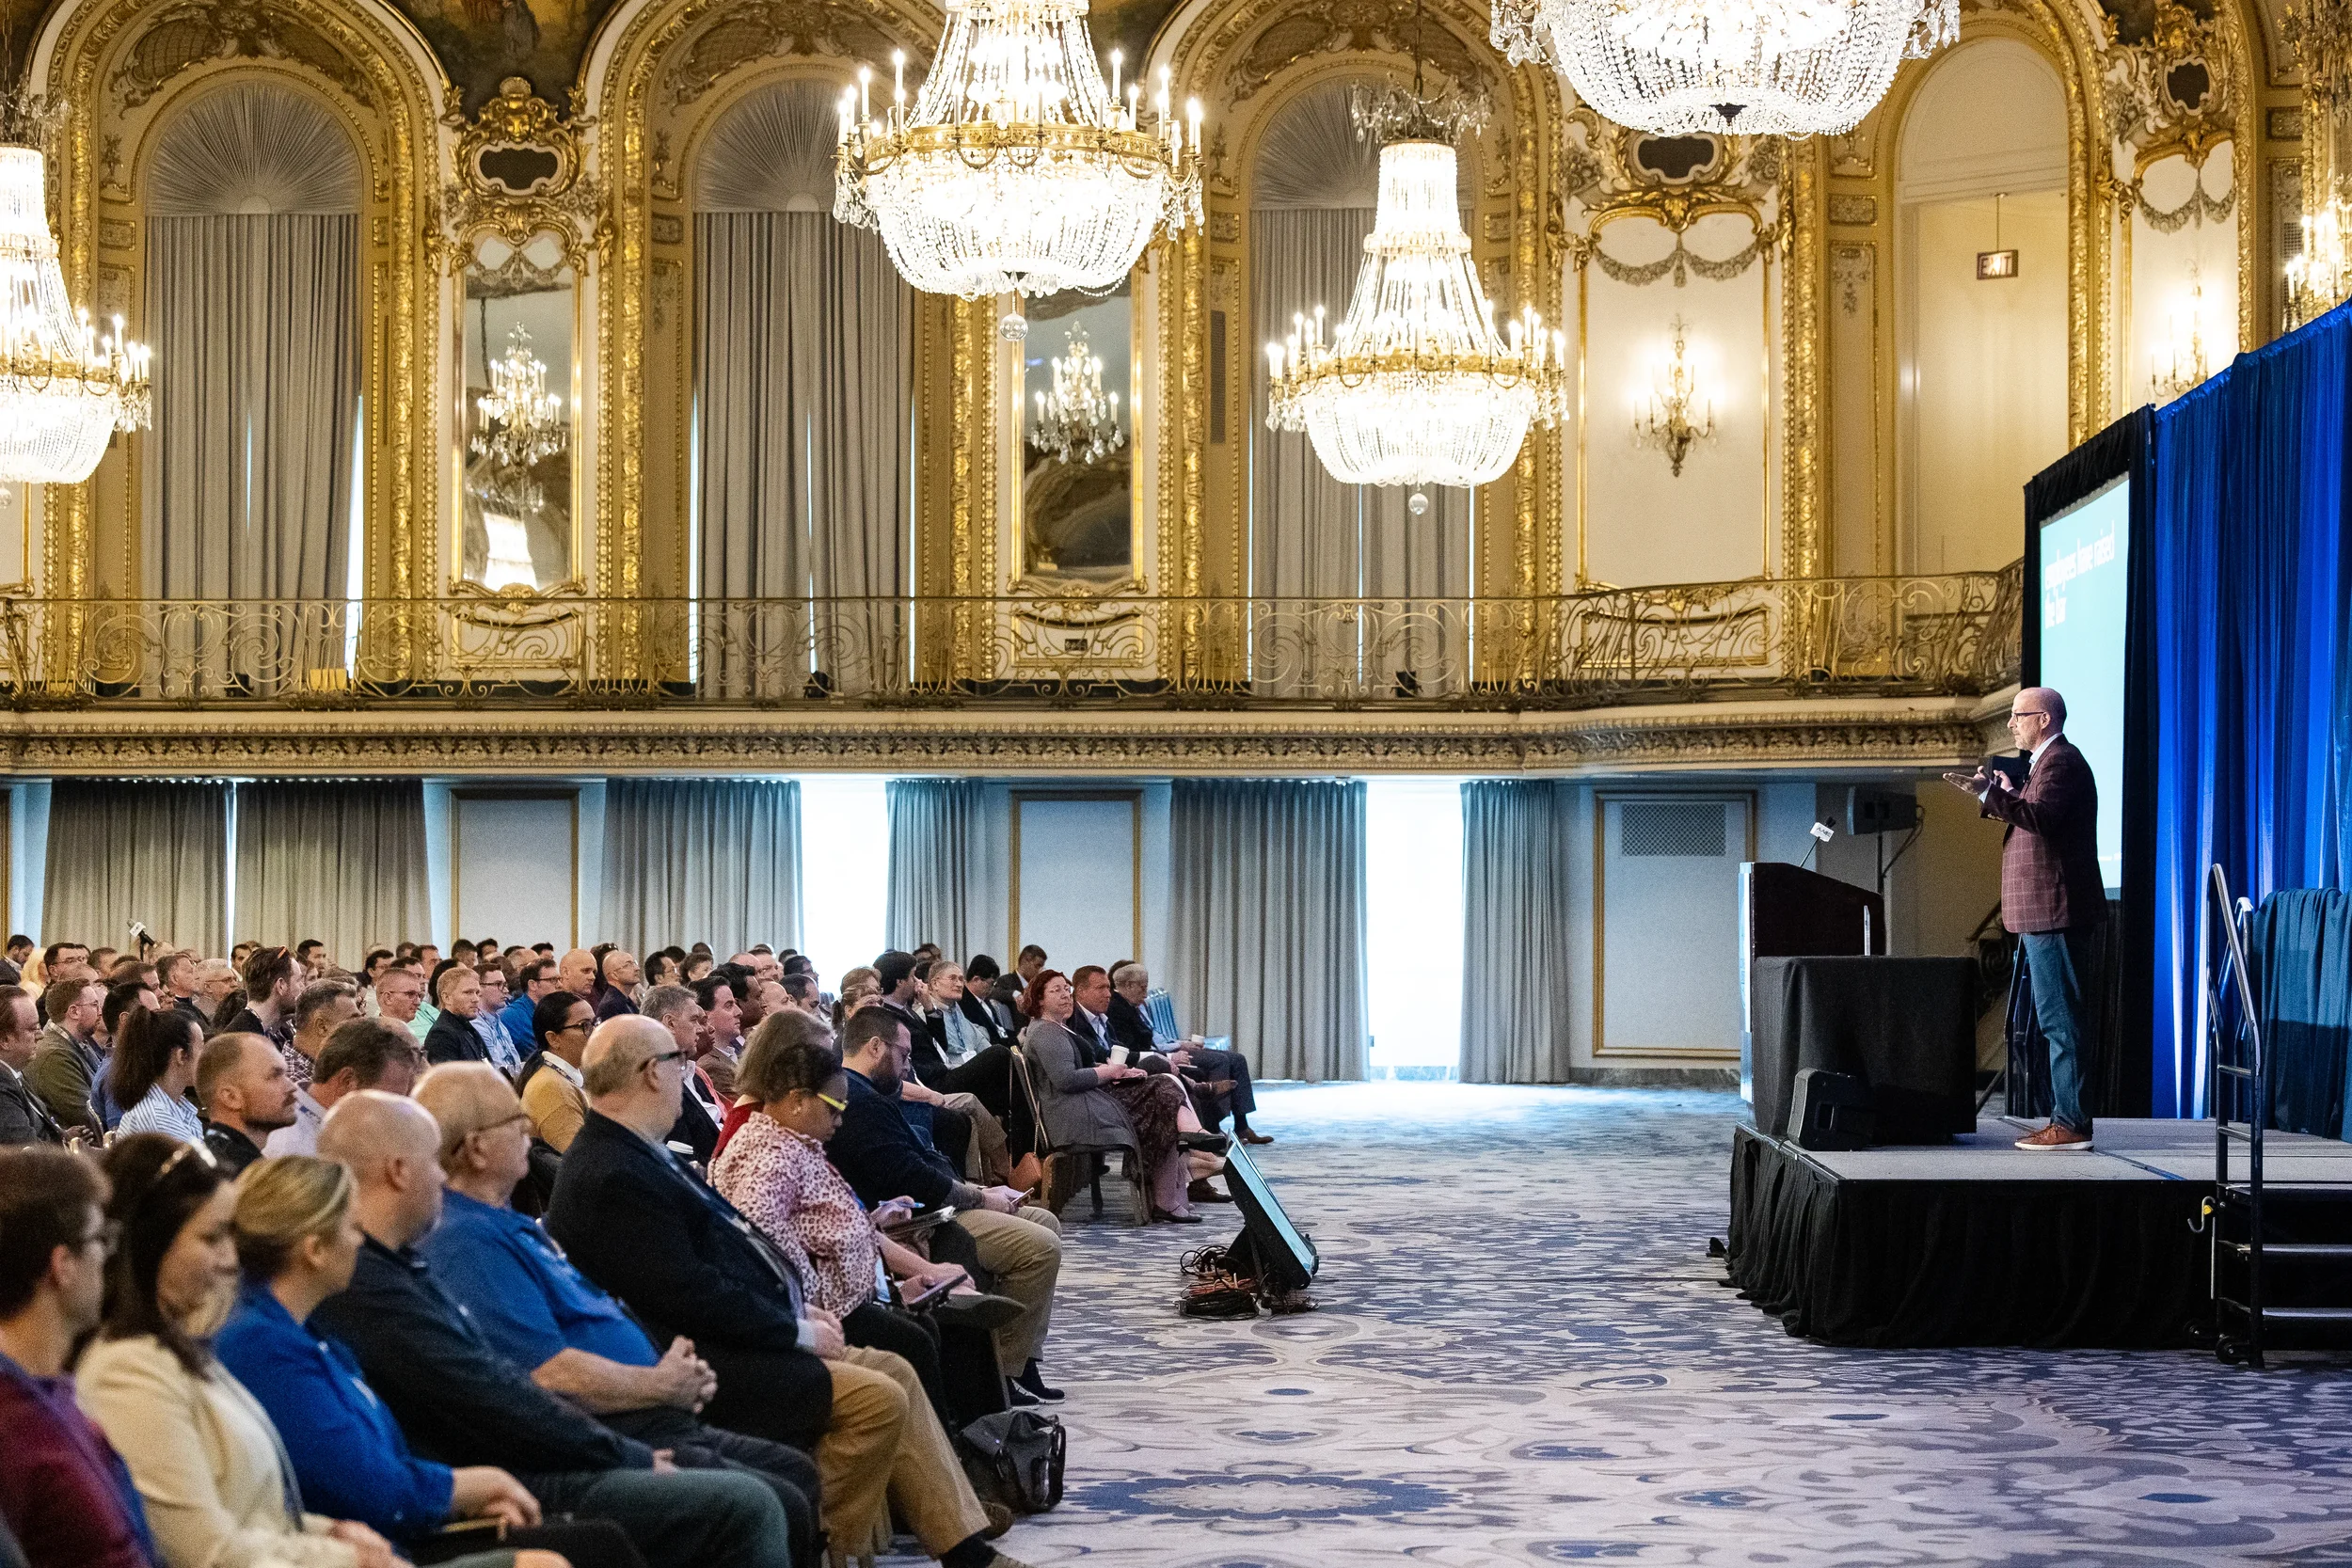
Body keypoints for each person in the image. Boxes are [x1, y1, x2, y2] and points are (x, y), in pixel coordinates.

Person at [542, 1020, 1026, 1568]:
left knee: (896, 1370)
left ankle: (959, 1549)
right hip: (696, 1360)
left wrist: (800, 1312)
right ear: (654, 1073)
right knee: (878, 1396)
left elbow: (730, 1258)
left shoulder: (639, 1152)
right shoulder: (613, 1171)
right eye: (681, 1062)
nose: (689, 1075)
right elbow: (689, 1294)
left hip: (735, 1332)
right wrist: (792, 1328)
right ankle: (822, 1548)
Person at [301, 1094, 802, 1568]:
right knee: (749, 1504)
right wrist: (631, 1456)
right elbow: (489, 1394)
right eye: (434, 1162)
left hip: (528, 1452)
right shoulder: (374, 1283)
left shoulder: (397, 1264)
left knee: (772, 1487)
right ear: (398, 1172)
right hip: (500, 1470)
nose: (442, 1178)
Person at [75, 1134, 533, 1568]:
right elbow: (204, 1552)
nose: (231, 1259)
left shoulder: (179, 1350)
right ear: (151, 1243)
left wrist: (333, 1531)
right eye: (211, 1238)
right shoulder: (128, 1371)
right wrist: (343, 1554)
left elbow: (261, 1509)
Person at [215, 1154, 642, 1568]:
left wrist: (460, 1496)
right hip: (370, 1548)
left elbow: (383, 1463)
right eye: (349, 1228)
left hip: (392, 1533)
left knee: (597, 1541)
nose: (359, 1241)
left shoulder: (301, 1330)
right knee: (588, 1547)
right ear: (314, 1250)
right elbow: (370, 1491)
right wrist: (471, 1487)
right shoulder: (262, 1346)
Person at [712, 1022, 1014, 1429]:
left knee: (943, 1308)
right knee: (920, 1336)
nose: (842, 1116)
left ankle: (981, 1441)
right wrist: (830, 1307)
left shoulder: (793, 1137)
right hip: (823, 1312)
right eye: (834, 1103)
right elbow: (767, 1244)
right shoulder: (767, 1151)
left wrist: (874, 1236)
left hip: (851, 1292)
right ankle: (961, 1453)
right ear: (796, 1093)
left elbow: (817, 1223)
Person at [828, 1009, 1066, 1403]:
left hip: (929, 1206)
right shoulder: (860, 1102)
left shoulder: (865, 1094)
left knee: (1044, 1219)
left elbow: (919, 1170)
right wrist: (981, 1194)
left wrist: (974, 1189)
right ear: (874, 1048)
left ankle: (1023, 1359)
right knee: (1039, 1246)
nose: (907, 1069)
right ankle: (1002, 1372)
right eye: (904, 1056)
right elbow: (913, 1180)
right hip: (914, 1221)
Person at [1947, 685, 2108, 1152]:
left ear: (2045, 719)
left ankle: (2072, 1124)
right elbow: (2037, 816)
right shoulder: (2046, 765)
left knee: (2062, 1022)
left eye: (2019, 715)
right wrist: (2006, 795)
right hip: (2043, 912)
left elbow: (2041, 820)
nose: (2012, 723)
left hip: (2054, 910)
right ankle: (2064, 1117)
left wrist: (1988, 795)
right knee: (2055, 1021)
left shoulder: (2061, 761)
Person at [0, 1147, 164, 1568]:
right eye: (99, 1238)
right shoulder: (13, 1430)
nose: (107, 1255)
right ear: (63, 1265)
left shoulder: (54, 1388)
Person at [1021, 969, 1202, 1221]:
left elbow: (1077, 1069)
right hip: (1074, 1114)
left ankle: (1170, 1193)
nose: (1065, 995)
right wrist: (1109, 1072)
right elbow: (1066, 1080)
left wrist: (1116, 1071)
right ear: (1039, 999)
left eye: (1066, 989)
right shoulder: (1046, 1033)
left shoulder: (1055, 1028)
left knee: (1162, 1091)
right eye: (1056, 991)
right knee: (1162, 1091)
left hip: (1084, 1102)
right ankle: (1175, 1181)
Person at [1108, 961, 1269, 1149]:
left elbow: (1152, 1034)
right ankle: (1213, 1124)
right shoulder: (1118, 1008)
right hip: (1158, 1055)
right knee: (1219, 1062)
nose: (1145, 993)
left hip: (1165, 1049)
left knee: (1237, 1058)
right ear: (1128, 985)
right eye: (1142, 987)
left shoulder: (1132, 1005)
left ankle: (1242, 1126)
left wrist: (1178, 1044)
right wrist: (1170, 1054)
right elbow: (1134, 1047)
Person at [266, 1019, 421, 1157]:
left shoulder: (338, 1127)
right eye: (389, 1102)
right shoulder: (293, 1150)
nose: (396, 1117)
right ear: (347, 1081)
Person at [196, 1034, 297, 1177]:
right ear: (231, 1097)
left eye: (285, 1075)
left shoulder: (219, 1162)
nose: (292, 1086)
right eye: (275, 1076)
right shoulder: (231, 1178)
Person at [109, 1009, 204, 1143]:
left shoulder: (175, 1106)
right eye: (201, 1046)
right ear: (181, 1056)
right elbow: (201, 1163)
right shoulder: (155, 1118)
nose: (206, 1056)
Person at [26, 978, 106, 1138]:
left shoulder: (77, 1043)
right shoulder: (54, 1056)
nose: (100, 1011)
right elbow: (90, 1116)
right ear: (74, 1011)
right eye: (94, 1005)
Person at [519, 992, 595, 1154]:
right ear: (553, 1039)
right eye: (584, 1026)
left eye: (595, 1023)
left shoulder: (565, 1075)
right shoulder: (552, 1088)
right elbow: (579, 1162)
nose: (594, 1032)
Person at [0, 987, 62, 1146]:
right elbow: (28, 1153)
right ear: (4, 1040)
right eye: (33, 1029)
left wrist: (61, 1135)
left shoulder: (14, 1071)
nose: (40, 1035)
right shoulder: (2, 1084)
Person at [220, 947, 305, 1053]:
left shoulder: (269, 1030)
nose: (303, 987)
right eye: (299, 980)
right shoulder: (242, 1044)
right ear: (281, 985)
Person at [286, 980, 362, 1095]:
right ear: (322, 1027)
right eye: (354, 1021)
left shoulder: (325, 1070)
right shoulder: (296, 1085)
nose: (362, 1028)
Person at [424, 966, 493, 1067]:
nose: (476, 999)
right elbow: (450, 1080)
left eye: (477, 993)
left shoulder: (466, 1027)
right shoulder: (441, 1034)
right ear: (447, 998)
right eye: (468, 992)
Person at [471, 967, 526, 1077]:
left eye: (505, 985)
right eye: (498, 984)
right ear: (479, 989)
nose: (505, 990)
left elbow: (515, 1061)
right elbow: (496, 1072)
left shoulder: (498, 1021)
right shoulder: (477, 1026)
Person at [502, 959, 557, 1051]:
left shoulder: (553, 1011)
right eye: (553, 980)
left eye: (559, 979)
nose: (559, 985)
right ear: (533, 985)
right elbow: (537, 1054)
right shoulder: (514, 1016)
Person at [157, 955, 210, 1040]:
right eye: (190, 972)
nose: (197, 976)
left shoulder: (194, 1004)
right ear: (174, 978)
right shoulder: (173, 1010)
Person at [592, 954, 641, 1022]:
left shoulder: (624, 1000)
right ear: (614, 975)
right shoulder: (610, 1007)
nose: (637, 968)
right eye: (628, 965)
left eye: (634, 963)